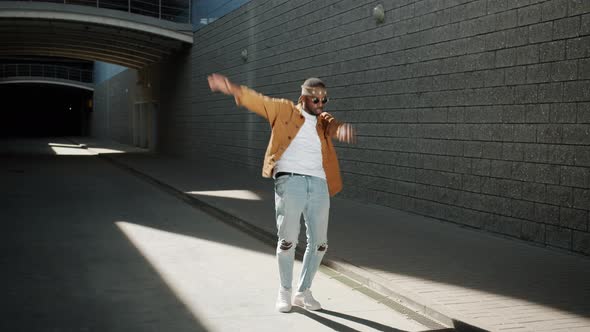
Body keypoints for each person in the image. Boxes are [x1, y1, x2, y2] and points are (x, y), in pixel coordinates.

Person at [207, 73, 356, 313]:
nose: (320, 105)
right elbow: (258, 100)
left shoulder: (324, 120)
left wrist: (340, 130)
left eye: (324, 100)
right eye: (315, 100)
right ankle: (284, 291)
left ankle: (303, 291)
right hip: (290, 181)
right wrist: (231, 88)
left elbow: (332, 125)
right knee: (288, 240)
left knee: (320, 244)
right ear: (303, 98)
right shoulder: (284, 110)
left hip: (319, 183)